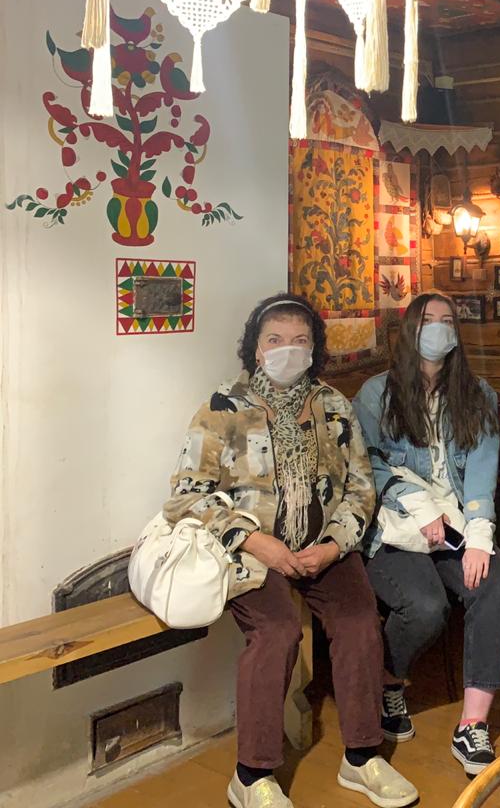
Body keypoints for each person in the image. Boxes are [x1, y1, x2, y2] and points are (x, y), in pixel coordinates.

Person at [164, 293, 416, 808]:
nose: (287, 349)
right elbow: (186, 496)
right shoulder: (223, 408)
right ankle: (251, 774)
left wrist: (333, 545)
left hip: (322, 548)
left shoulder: (333, 404)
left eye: (300, 340)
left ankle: (361, 757)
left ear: (314, 348)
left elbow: (360, 487)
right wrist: (257, 542)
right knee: (276, 632)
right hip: (253, 552)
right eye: (275, 340)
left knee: (359, 622)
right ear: (256, 349)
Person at [354, 292, 500, 777]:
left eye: (448, 320)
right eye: (428, 319)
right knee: (425, 606)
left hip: (455, 525)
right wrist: (420, 507)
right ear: (410, 328)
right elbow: (369, 466)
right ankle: (389, 682)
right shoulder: (375, 394)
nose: (439, 327)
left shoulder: (477, 395)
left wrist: (480, 537)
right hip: (394, 526)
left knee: (495, 582)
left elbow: (482, 471)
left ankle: (473, 723)